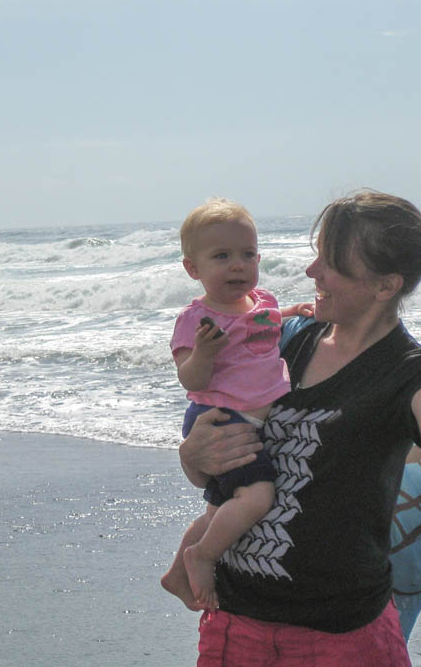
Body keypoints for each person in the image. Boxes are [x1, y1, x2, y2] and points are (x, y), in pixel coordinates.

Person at [179, 190, 421, 666]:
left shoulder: (405, 372)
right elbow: (216, 449)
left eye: (330, 262)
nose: (311, 272)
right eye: (316, 255)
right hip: (234, 616)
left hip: (339, 637)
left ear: (384, 286)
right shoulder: (286, 339)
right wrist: (192, 457)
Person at [161, 197, 311, 611]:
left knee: (218, 508)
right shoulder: (196, 321)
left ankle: (177, 574)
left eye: (247, 255)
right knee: (258, 497)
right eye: (222, 256)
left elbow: (265, 327)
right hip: (220, 417)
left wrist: (293, 311)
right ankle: (202, 556)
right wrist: (204, 355)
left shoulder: (262, 302)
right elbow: (189, 380)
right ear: (194, 269)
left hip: (246, 418)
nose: (237, 265)